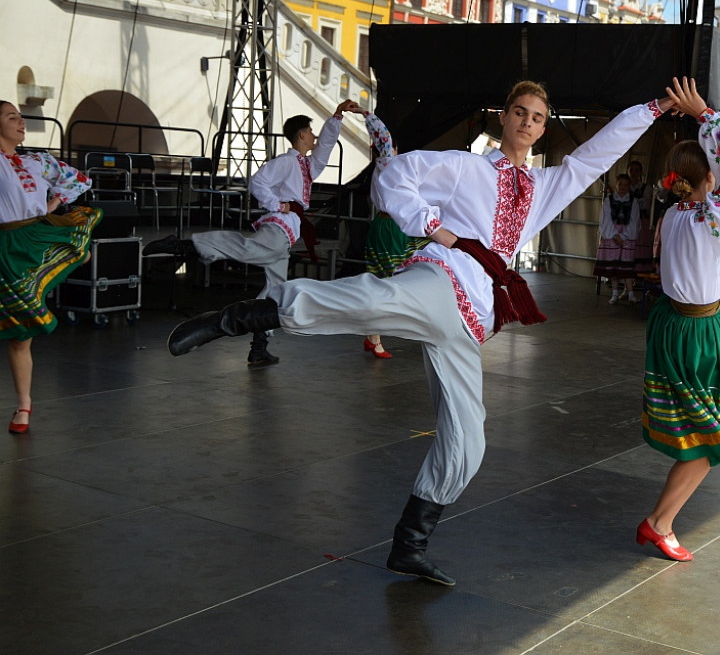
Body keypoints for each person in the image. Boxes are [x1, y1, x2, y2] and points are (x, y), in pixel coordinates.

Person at [165, 77, 687, 586]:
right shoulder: (465, 167)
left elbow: (597, 153)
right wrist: (431, 224)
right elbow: (395, 175)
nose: (529, 123)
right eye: (521, 113)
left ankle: (409, 545)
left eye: (539, 117)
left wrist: (654, 110)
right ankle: (238, 318)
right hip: (443, 277)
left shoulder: (547, 185)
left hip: (471, 317)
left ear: (544, 127)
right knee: (369, 300)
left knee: (469, 442)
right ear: (503, 118)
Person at [144, 100, 362, 366]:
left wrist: (337, 116)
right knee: (248, 249)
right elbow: (257, 182)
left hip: (286, 238)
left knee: (275, 292)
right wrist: (277, 204)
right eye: (311, 131)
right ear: (302, 135)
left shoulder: (307, 166)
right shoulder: (285, 162)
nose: (315, 136)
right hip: (277, 229)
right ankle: (186, 246)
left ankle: (259, 347)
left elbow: (325, 147)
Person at [636, 78, 720, 562]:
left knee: (697, 435)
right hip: (700, 334)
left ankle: (660, 523)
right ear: (710, 177)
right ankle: (658, 523)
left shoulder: (674, 216)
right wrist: (708, 115)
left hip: (671, 323)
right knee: (711, 441)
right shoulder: (713, 220)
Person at [0, 100, 99, 434]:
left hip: (36, 234)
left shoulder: (35, 161)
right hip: (6, 246)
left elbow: (77, 180)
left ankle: (23, 406)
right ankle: (23, 404)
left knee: (22, 334)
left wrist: (54, 203)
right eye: (11, 117)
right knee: (18, 331)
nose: (21, 122)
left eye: (20, 117)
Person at [361, 111, 429, 359]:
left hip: (386, 226)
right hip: (391, 230)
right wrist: (366, 114)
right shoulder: (387, 164)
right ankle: (415, 325)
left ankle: (374, 336)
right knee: (395, 281)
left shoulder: (386, 170)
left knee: (383, 282)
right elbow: (385, 140)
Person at [594, 173, 640, 304]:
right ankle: (614, 292)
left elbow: (634, 221)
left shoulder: (633, 201)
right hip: (612, 235)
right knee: (613, 267)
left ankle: (630, 293)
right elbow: (605, 219)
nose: (623, 187)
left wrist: (624, 236)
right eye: (620, 184)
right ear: (616, 184)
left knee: (626, 266)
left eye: (626, 185)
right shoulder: (609, 200)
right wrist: (615, 235)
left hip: (627, 236)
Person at [628, 160, 656, 274]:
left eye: (636, 170)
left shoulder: (646, 188)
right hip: (626, 222)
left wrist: (631, 201)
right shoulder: (624, 186)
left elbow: (645, 203)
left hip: (640, 221)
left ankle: (637, 276)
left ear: (641, 172)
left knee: (639, 249)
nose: (634, 173)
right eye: (631, 170)